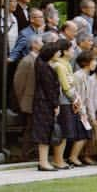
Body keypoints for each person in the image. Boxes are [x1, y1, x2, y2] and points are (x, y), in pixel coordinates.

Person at [33, 41, 68, 171]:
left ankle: (44, 161)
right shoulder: (44, 68)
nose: (60, 53)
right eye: (58, 51)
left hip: (43, 102)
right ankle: (43, 162)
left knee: (46, 131)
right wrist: (55, 104)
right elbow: (49, 89)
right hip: (44, 103)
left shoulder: (42, 64)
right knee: (45, 132)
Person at [12, 35, 44, 159]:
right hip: (29, 100)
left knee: (34, 127)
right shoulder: (27, 61)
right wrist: (22, 100)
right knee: (29, 128)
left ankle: (32, 152)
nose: (43, 44)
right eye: (41, 42)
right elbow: (18, 82)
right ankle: (25, 154)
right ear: (34, 44)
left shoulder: (39, 60)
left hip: (36, 100)